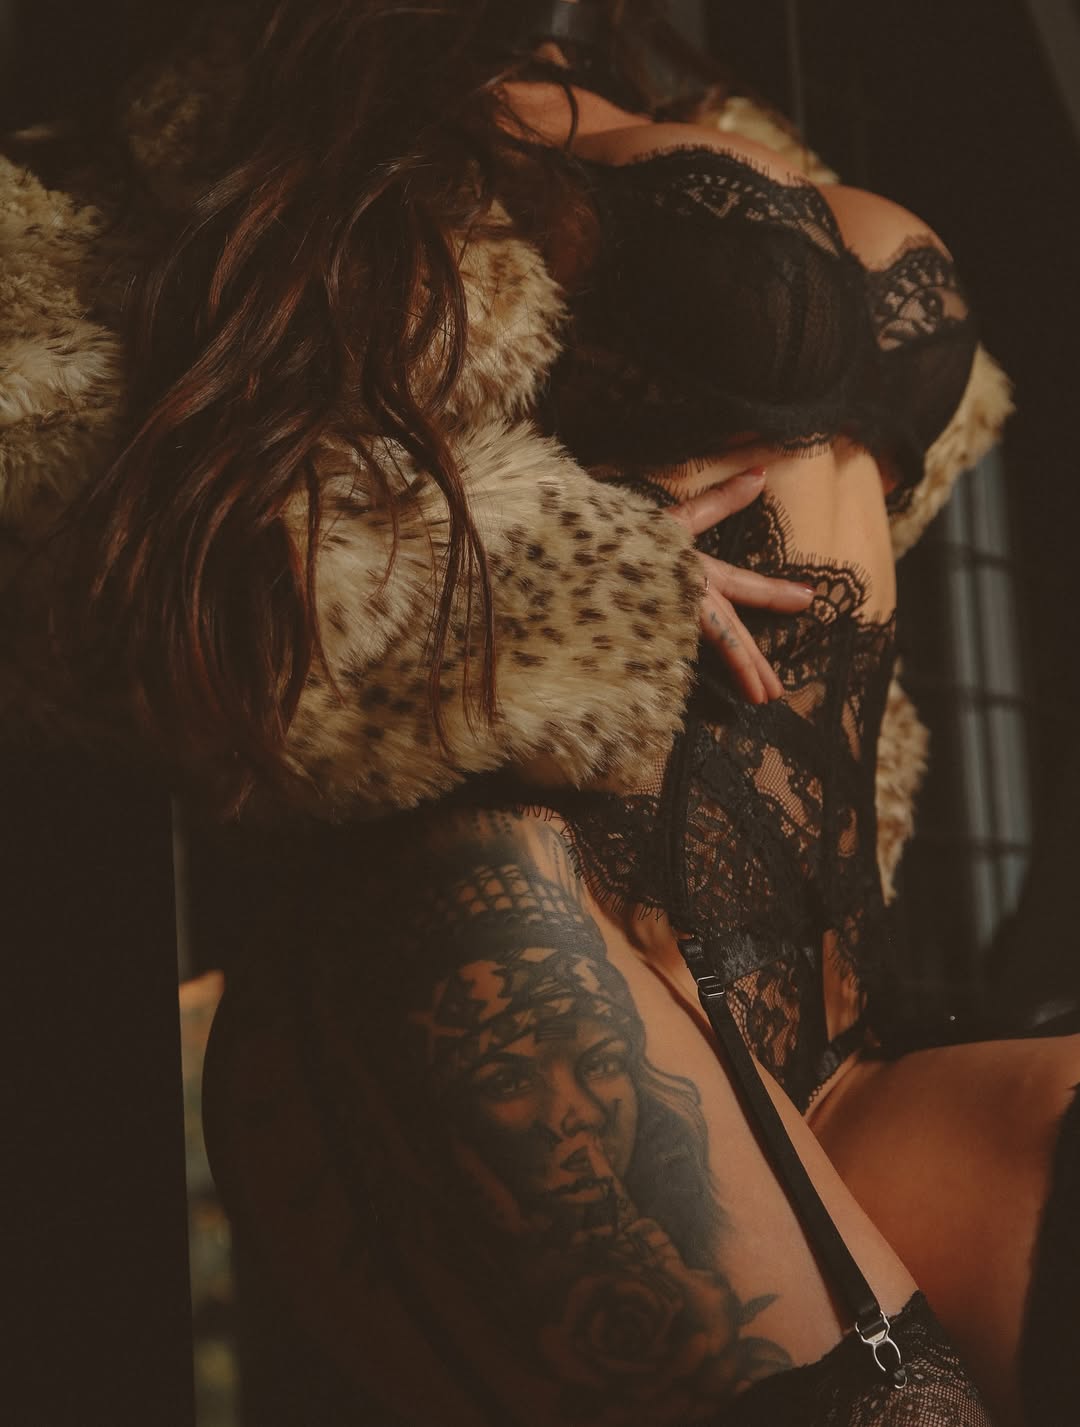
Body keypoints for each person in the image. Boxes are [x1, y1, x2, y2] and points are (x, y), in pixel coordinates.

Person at [0, 1, 1072, 1423]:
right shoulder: (231, 116)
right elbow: (102, 553)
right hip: (534, 950)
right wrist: (577, 563)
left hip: (822, 988)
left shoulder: (684, 94)